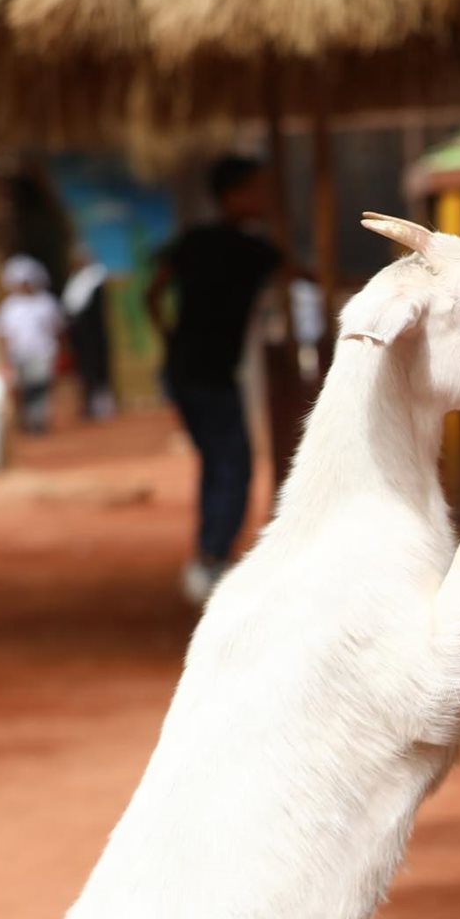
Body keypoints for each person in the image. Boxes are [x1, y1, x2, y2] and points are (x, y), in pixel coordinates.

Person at [147, 155, 282, 605]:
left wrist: (170, 339)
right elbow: (300, 276)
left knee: (219, 462)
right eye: (257, 189)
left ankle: (210, 556)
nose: (264, 198)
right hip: (208, 374)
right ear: (233, 194)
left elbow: (153, 293)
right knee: (233, 464)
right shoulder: (253, 250)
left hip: (186, 369)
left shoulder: (196, 241)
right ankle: (213, 560)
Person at [0, 255, 63, 434]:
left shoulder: (46, 302)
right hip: (19, 353)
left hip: (43, 351)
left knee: (40, 385)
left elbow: (57, 327)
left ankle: (38, 421)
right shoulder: (10, 306)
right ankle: (27, 420)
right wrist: (5, 356)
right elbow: (3, 333)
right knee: (24, 389)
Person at [62, 246, 116, 421]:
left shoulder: (95, 278)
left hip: (94, 330)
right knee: (85, 367)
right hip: (80, 333)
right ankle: (91, 404)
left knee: (98, 365)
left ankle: (103, 405)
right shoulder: (76, 279)